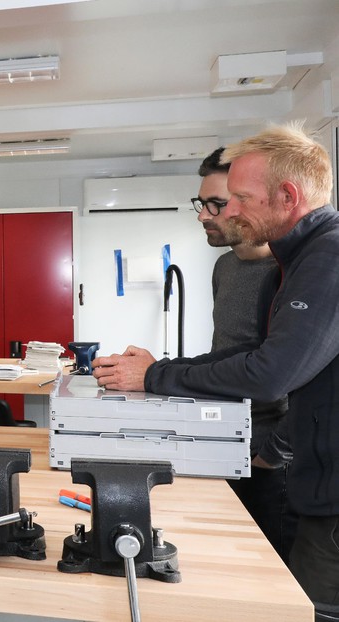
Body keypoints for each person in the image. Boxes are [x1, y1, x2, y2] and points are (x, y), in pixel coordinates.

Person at [91, 123, 338, 618]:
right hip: (309, 480)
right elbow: (254, 356)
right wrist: (159, 369)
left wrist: (156, 377)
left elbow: (271, 375)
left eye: (240, 198)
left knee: (300, 607)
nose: (232, 210)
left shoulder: (326, 259)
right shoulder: (295, 263)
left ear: (288, 196)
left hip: (323, 497)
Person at [194, 147, 296, 562]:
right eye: (202, 204)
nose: (206, 214)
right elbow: (225, 353)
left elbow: (297, 375)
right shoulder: (224, 267)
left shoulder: (294, 273)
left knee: (271, 571)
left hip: (271, 458)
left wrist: (273, 454)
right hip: (223, 441)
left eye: (217, 204)